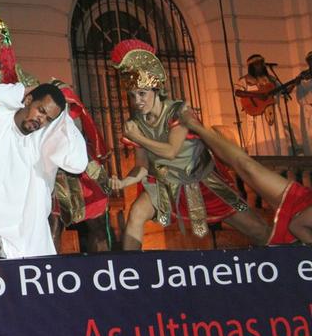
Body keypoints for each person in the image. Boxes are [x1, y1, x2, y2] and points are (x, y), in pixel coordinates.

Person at [108, 39, 269, 250]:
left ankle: (288, 261)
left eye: (142, 94)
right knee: (137, 213)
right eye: (132, 96)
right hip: (166, 185)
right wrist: (124, 182)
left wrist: (139, 138)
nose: (137, 101)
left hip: (205, 182)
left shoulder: (179, 111)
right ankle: (131, 277)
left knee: (257, 229)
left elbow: (172, 151)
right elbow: (142, 165)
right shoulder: (138, 123)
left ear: (156, 89)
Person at [0, 82, 88, 258]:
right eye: (41, 110)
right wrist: (20, 91)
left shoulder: (44, 141)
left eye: (48, 119)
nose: (41, 120)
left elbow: (78, 163)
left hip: (29, 239)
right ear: (28, 100)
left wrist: (63, 118)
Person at [179, 106, 312, 244]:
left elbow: (296, 228)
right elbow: (297, 225)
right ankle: (195, 126)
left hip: (297, 243)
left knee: (258, 231)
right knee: (247, 166)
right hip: (301, 203)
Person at [49, 79, 112, 252]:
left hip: (81, 177)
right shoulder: (47, 121)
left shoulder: (74, 117)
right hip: (56, 179)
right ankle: (51, 270)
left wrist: (96, 171)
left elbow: (82, 148)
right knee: (54, 226)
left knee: (97, 226)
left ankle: (105, 267)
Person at [235, 54, 287, 155]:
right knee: (260, 136)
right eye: (256, 65)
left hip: (273, 112)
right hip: (256, 114)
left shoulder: (272, 79)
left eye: (261, 64)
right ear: (251, 67)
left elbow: (284, 91)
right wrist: (256, 95)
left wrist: (294, 83)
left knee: (275, 134)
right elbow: (238, 92)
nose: (260, 67)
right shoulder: (245, 80)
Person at [296, 50, 312, 156]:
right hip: (308, 109)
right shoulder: (303, 75)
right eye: (310, 61)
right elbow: (300, 96)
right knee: (309, 136)